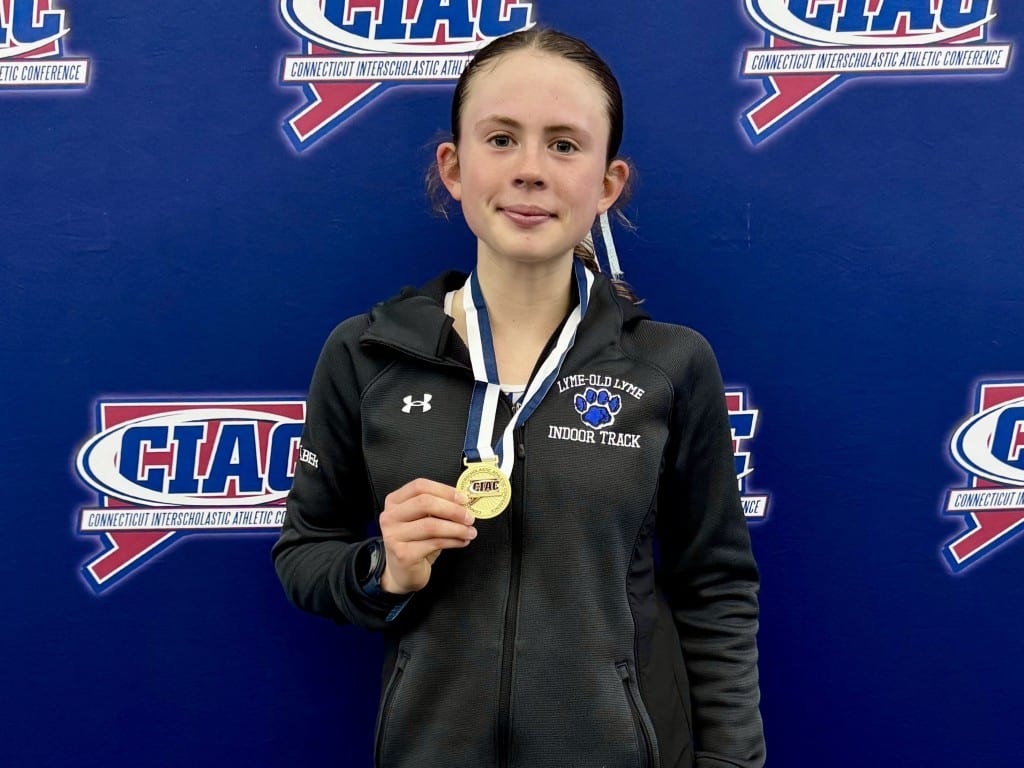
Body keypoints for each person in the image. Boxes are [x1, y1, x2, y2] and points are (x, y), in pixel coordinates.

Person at [273, 27, 765, 768]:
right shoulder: (367, 356)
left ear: (607, 183)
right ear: (454, 167)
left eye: (564, 145)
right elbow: (305, 555)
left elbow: (716, 590)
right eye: (500, 139)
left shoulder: (669, 365)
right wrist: (384, 571)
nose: (531, 171)